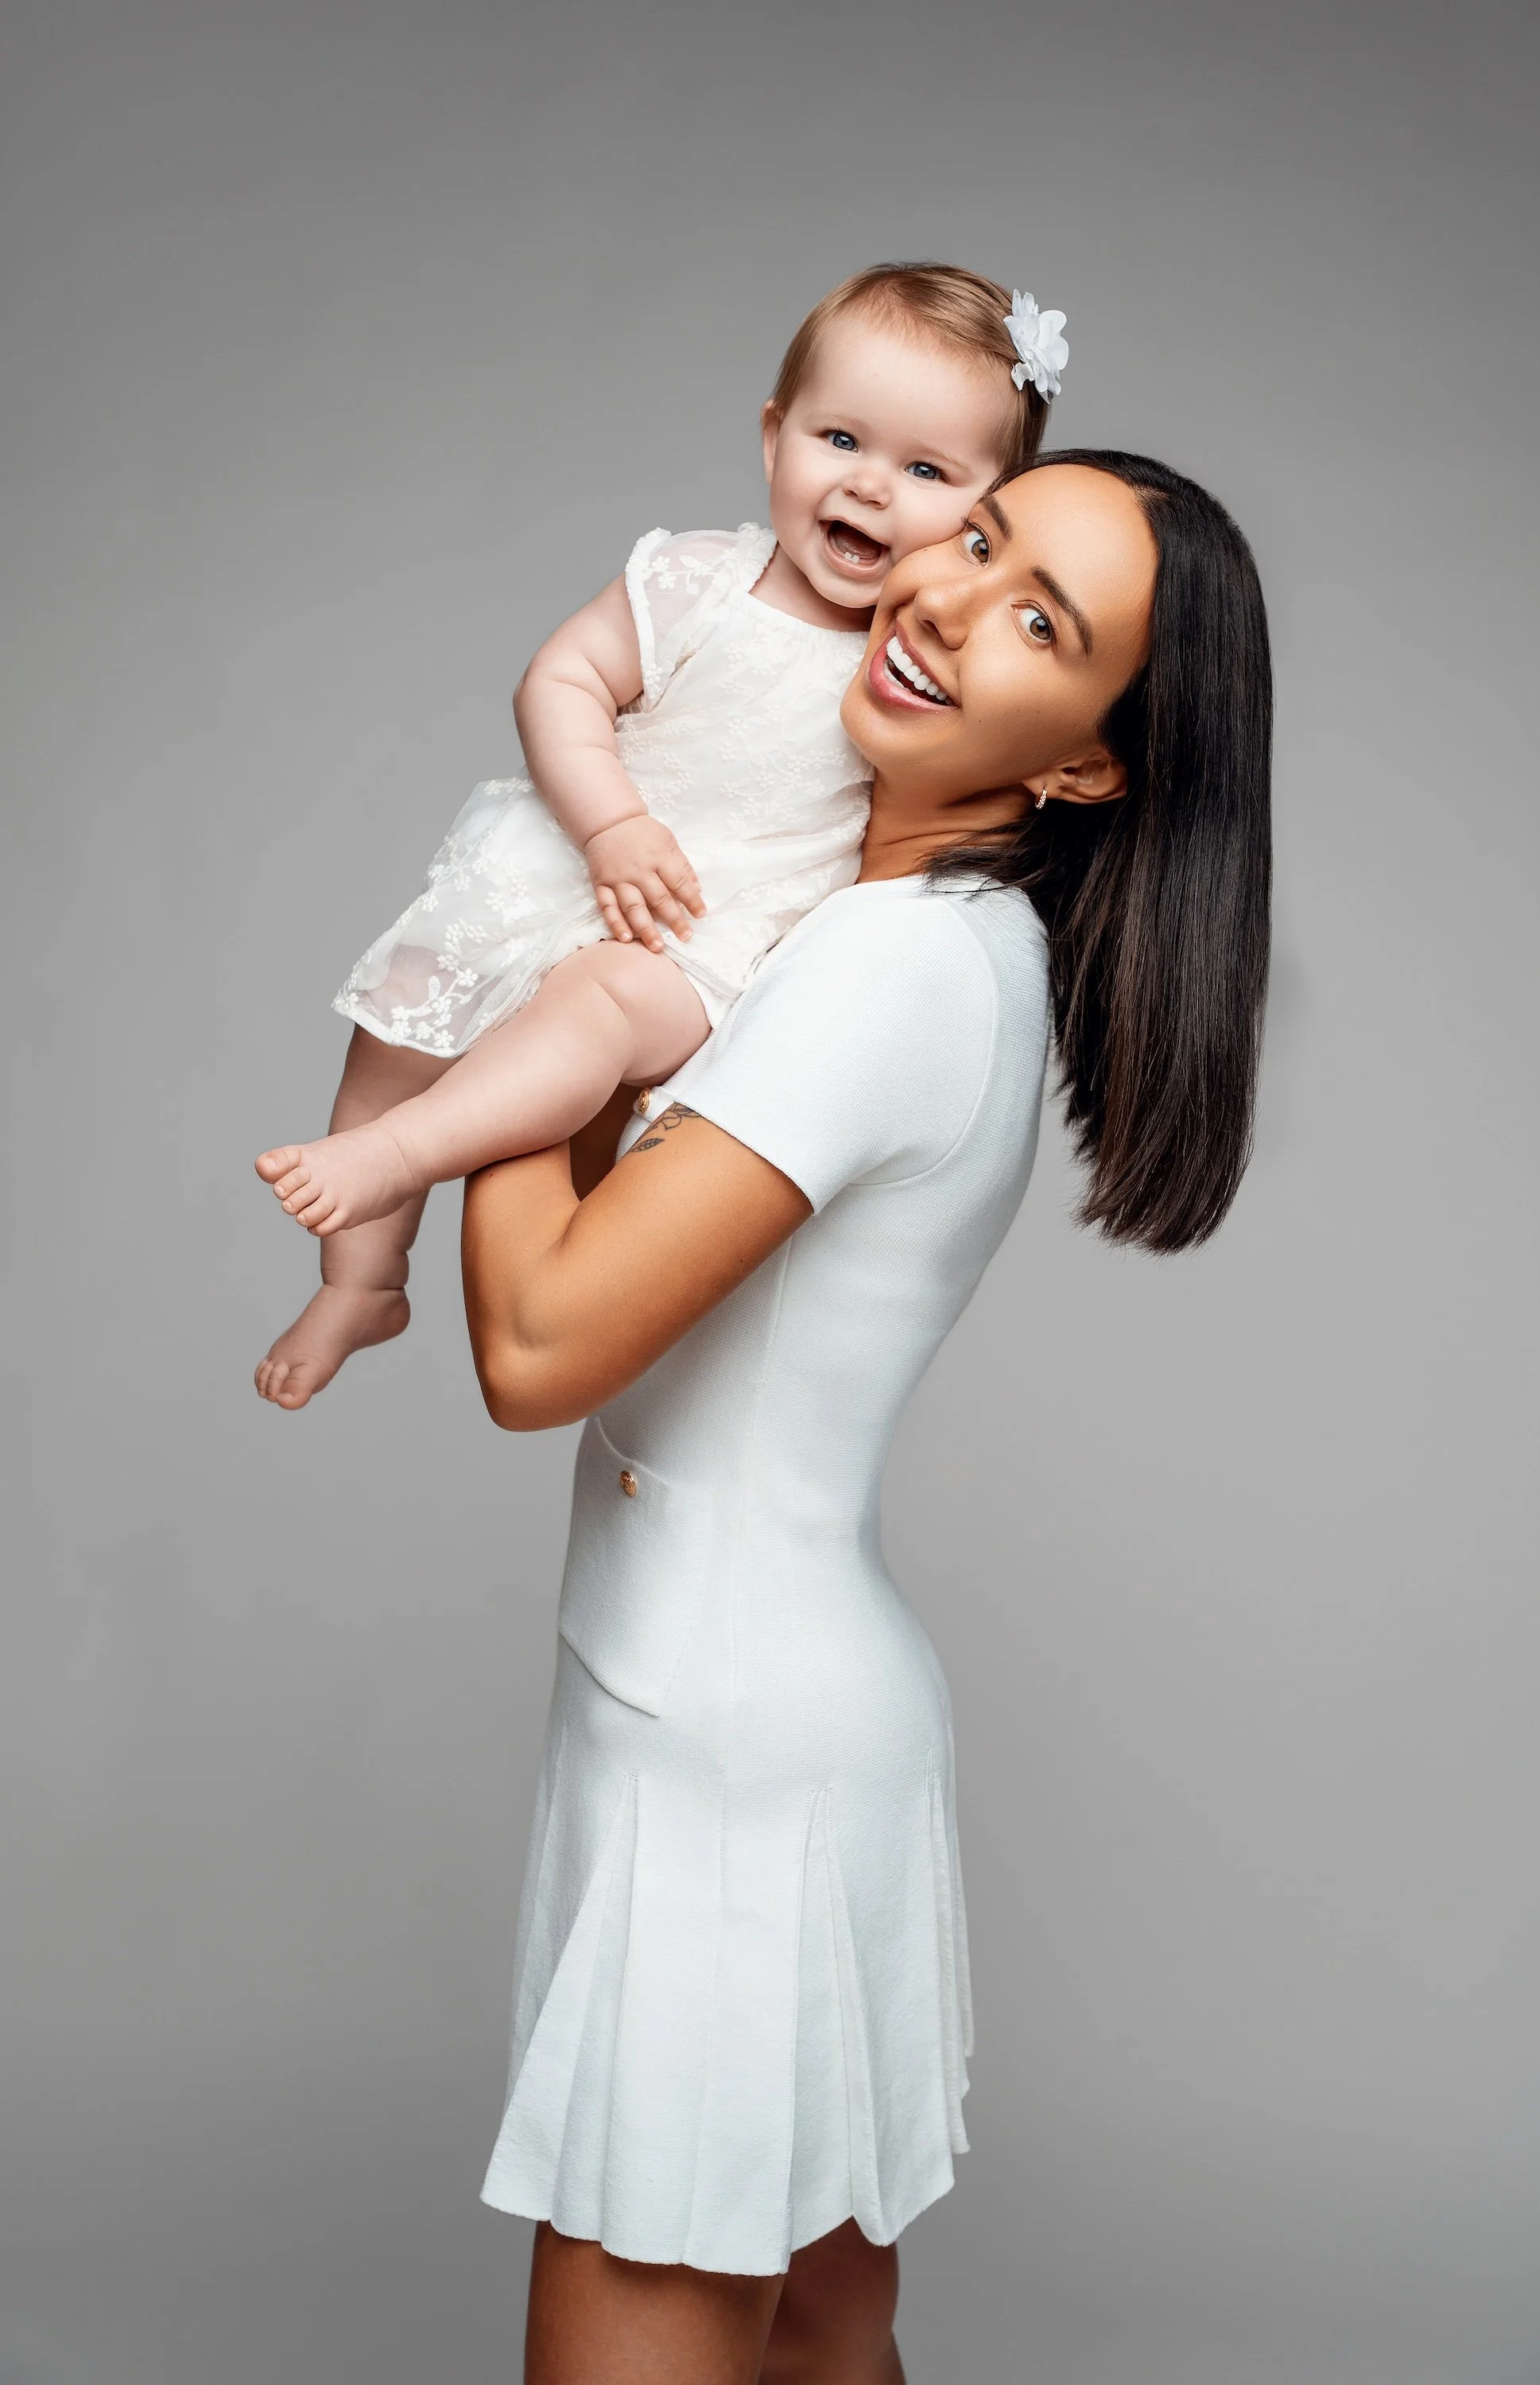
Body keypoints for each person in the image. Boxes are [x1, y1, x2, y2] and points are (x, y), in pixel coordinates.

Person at [460, 451, 1274, 2381]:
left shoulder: (894, 966)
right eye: (979, 538)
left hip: (725, 1768)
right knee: (825, 2329)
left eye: (1039, 621)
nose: (943, 598)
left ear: (1083, 763)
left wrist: (525, 982)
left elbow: (537, 1347)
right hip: (750, 1719)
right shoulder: (894, 932)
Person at [253, 265, 1069, 1410]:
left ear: (987, 515)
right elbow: (562, 680)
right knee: (400, 1015)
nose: (873, 488)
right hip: (581, 857)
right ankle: (363, 1279)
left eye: (928, 471)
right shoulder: (699, 575)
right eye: (841, 439)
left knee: (590, 1009)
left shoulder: (914, 662)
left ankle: (402, 1158)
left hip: (697, 938)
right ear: (775, 436)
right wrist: (610, 823)